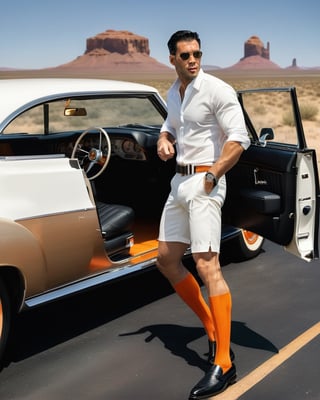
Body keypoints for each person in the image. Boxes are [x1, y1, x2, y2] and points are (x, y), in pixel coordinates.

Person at [156, 30, 250, 399]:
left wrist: (213, 175)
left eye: (197, 53)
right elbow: (170, 125)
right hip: (178, 183)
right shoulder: (173, 92)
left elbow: (238, 138)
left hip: (207, 182)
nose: (193, 59)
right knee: (166, 259)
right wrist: (165, 139)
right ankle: (212, 330)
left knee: (207, 264)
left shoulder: (218, 89)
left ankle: (224, 363)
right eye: (185, 55)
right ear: (172, 59)